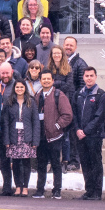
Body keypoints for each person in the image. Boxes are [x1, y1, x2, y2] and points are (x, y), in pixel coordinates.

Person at [33, 70, 73, 199]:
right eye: (43, 79)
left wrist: (57, 126)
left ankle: (57, 190)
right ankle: (40, 190)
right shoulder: (37, 95)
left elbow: (67, 115)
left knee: (56, 163)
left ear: (52, 80)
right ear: (40, 81)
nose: (45, 81)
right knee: (41, 163)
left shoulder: (58, 95)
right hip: (40, 136)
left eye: (48, 79)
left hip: (54, 136)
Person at [74, 67, 105, 200]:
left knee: (96, 163)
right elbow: (75, 114)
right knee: (85, 163)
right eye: (86, 76)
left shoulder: (101, 95)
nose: (89, 78)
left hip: (94, 135)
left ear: (95, 77)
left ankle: (97, 192)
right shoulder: (78, 94)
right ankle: (88, 191)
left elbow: (100, 116)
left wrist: (86, 131)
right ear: (83, 77)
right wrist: (77, 129)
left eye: (91, 75)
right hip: (80, 135)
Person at [1, 80, 40, 197]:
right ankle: (18, 186)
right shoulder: (9, 102)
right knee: (16, 163)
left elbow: (36, 122)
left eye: (21, 87)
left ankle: (25, 187)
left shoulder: (31, 102)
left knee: (26, 163)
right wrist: (6, 140)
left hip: (27, 136)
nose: (19, 89)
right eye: (17, 87)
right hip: (14, 136)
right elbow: (6, 122)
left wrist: (35, 140)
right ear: (14, 88)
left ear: (25, 88)